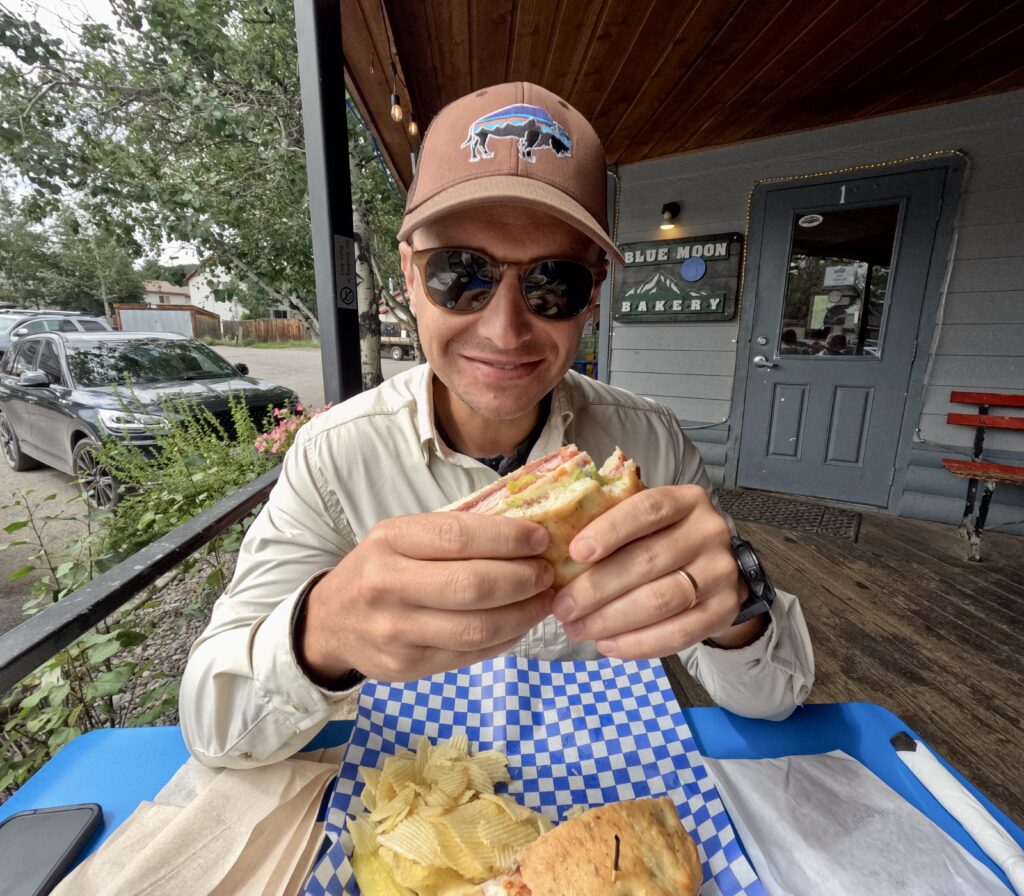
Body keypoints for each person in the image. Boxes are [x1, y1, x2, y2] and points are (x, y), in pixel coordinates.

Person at [180, 82, 814, 768]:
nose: (506, 329)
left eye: (553, 282)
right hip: (421, 796)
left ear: (593, 294)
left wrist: (738, 596)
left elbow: (774, 700)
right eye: (462, 274)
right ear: (410, 278)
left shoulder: (651, 446)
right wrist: (321, 633)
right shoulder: (334, 457)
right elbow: (215, 731)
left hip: (605, 787)